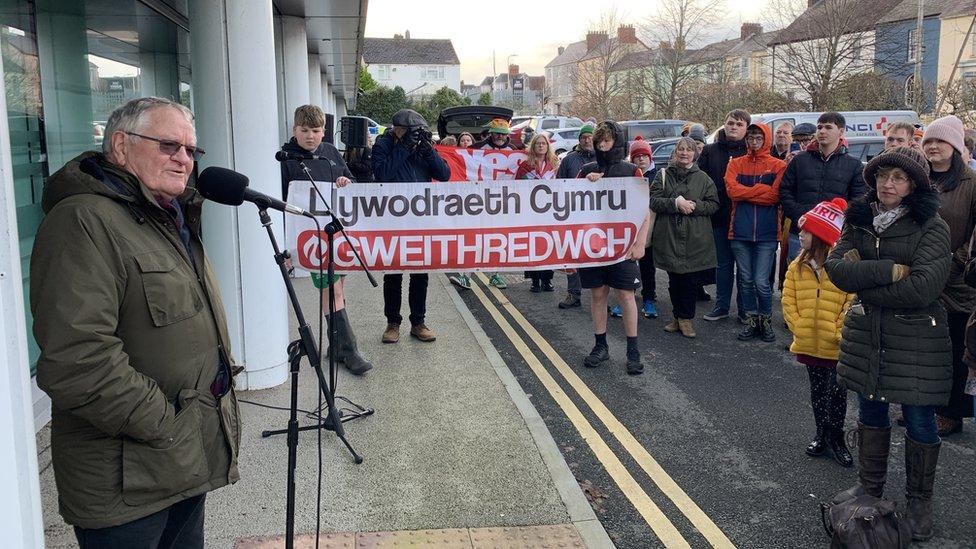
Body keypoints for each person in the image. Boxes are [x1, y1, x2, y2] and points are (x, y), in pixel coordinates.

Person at [30, 97, 240, 546]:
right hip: (128, 478)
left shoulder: (166, 214)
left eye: (190, 150)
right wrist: (168, 426)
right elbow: (77, 361)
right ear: (121, 146)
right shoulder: (83, 220)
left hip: (182, 460)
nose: (183, 159)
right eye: (168, 145)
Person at [824, 146, 952, 542]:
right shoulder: (859, 220)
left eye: (898, 178)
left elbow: (922, 287)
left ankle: (919, 504)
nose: (888, 184)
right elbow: (836, 270)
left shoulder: (931, 225)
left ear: (912, 184)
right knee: (871, 410)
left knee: (918, 419)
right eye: (882, 177)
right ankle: (870, 488)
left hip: (916, 337)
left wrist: (866, 284)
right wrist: (886, 270)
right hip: (869, 336)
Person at [281, 105, 372, 374]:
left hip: (338, 234)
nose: (311, 136)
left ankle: (335, 345)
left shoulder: (331, 152)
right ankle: (348, 350)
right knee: (333, 290)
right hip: (311, 239)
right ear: (295, 130)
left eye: (316, 131)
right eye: (304, 131)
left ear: (324, 131)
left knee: (337, 289)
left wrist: (346, 180)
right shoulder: (285, 159)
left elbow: (351, 180)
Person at [782, 198, 854, 467]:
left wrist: (838, 330)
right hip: (809, 342)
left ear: (822, 236)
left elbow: (851, 300)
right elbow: (788, 299)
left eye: (806, 231)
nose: (800, 234)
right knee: (817, 392)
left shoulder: (842, 266)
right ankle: (820, 434)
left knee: (837, 393)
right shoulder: (797, 266)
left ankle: (837, 438)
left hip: (835, 344)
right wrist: (798, 325)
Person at [577, 121, 650, 375]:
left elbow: (644, 211)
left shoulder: (632, 172)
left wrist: (640, 242)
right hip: (594, 245)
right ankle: (601, 345)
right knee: (598, 294)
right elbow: (571, 212)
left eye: (607, 141)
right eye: (599, 142)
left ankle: (633, 349)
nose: (602, 146)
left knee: (626, 295)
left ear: (616, 142)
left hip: (623, 246)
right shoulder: (586, 170)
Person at [372, 108, 451, 343]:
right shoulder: (383, 144)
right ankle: (392, 322)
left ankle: (418, 322)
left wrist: (429, 153)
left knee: (420, 273)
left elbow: (444, 174)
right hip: (392, 218)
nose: (415, 135)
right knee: (393, 272)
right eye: (410, 132)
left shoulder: (423, 146)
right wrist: (403, 148)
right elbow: (382, 173)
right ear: (398, 129)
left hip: (420, 218)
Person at [921, 115, 976, 436]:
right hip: (921, 280)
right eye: (928, 141)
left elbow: (973, 236)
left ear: (954, 146)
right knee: (925, 349)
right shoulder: (918, 180)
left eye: (940, 141)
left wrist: (953, 263)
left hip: (957, 282)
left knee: (955, 351)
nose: (933, 146)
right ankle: (923, 407)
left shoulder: (971, 184)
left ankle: (951, 412)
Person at [650, 138, 720, 338]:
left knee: (689, 281)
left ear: (694, 154)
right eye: (681, 149)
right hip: (669, 235)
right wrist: (675, 203)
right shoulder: (662, 175)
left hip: (695, 237)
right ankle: (677, 317)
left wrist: (694, 206)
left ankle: (686, 319)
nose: (684, 153)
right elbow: (653, 201)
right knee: (674, 280)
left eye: (688, 150)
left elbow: (714, 204)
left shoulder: (704, 178)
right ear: (675, 152)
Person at [725, 123, 786, 342]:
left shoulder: (778, 165)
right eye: (750, 136)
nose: (754, 140)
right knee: (746, 280)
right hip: (740, 232)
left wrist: (746, 193)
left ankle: (765, 320)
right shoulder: (736, 164)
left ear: (766, 138)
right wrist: (760, 190)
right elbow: (732, 191)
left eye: (758, 136)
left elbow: (774, 196)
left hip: (767, 234)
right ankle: (751, 320)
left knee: (761, 281)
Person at [780, 112, 866, 265]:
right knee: (797, 279)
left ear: (840, 131)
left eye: (828, 127)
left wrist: (836, 221)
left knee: (830, 283)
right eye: (819, 127)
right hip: (800, 232)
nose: (822, 131)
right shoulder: (800, 160)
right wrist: (801, 215)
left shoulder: (853, 165)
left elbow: (858, 200)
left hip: (834, 236)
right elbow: (785, 191)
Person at [699, 109, 749, 322]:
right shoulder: (710, 151)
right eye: (730, 123)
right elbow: (700, 180)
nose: (734, 127)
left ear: (746, 128)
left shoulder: (751, 152)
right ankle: (721, 306)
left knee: (745, 269)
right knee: (723, 265)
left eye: (739, 124)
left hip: (745, 219)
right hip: (718, 217)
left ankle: (745, 310)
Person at [555, 124, 596, 309]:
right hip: (573, 214)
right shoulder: (569, 160)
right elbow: (558, 186)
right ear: (579, 140)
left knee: (598, 256)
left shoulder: (603, 158)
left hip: (598, 215)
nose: (587, 140)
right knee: (572, 255)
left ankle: (600, 297)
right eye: (584, 137)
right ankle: (573, 293)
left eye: (590, 137)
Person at [474, 117, 516, 289]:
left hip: (502, 201)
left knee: (498, 239)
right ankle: (466, 274)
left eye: (503, 134)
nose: (500, 137)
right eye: (497, 133)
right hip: (478, 200)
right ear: (491, 133)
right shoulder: (477, 149)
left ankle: (495, 274)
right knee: (475, 237)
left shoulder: (514, 150)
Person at [516, 133, 559, 292]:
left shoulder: (555, 165)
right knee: (534, 245)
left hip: (550, 211)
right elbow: (517, 187)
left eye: (544, 143)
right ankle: (535, 280)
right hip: (531, 212)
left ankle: (547, 280)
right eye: (538, 143)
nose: (541, 146)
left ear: (548, 146)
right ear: (533, 146)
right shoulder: (525, 166)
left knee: (549, 244)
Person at [631, 136, 659, 318]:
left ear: (650, 158)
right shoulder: (628, 175)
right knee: (629, 266)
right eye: (637, 156)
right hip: (631, 226)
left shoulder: (657, 176)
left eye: (644, 155)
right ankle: (628, 298)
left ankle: (649, 297)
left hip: (649, 227)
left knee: (647, 265)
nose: (641, 159)